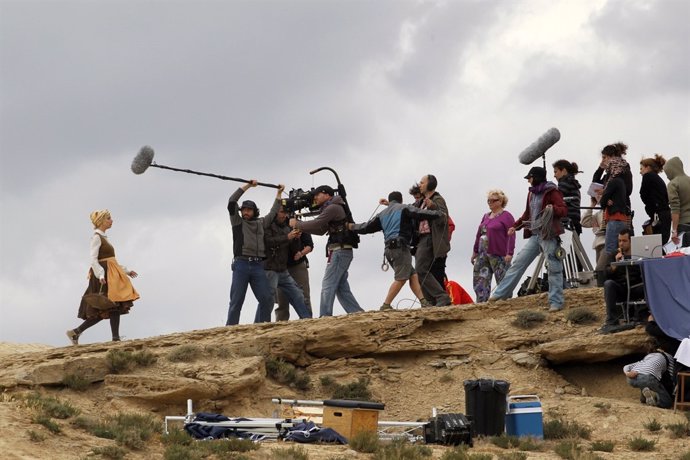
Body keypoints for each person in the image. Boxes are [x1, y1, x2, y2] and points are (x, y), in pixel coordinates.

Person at [489, 166, 568, 311]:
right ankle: (500, 294)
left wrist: (552, 209)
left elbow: (563, 209)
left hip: (548, 235)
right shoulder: (531, 194)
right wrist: (515, 226)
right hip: (535, 235)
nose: (528, 181)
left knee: (554, 267)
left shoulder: (552, 191)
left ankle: (556, 302)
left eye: (530, 178)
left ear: (536, 177)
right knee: (518, 263)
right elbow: (528, 214)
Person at [349, 191, 442, 310]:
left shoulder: (382, 214)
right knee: (401, 278)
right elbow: (420, 213)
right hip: (401, 248)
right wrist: (438, 214)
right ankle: (386, 305)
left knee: (413, 275)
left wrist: (351, 227)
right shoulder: (404, 208)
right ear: (401, 199)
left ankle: (424, 302)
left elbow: (366, 227)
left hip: (389, 250)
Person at [67, 210, 139, 345]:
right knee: (110, 306)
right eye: (109, 218)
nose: (112, 220)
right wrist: (100, 274)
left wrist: (127, 271)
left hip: (110, 274)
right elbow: (93, 259)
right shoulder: (96, 237)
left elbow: (112, 261)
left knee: (111, 307)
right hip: (104, 276)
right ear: (101, 221)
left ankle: (76, 332)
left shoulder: (104, 238)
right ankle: (115, 339)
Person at [290, 185, 363, 317]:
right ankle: (356, 313)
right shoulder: (333, 207)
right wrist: (301, 228)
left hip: (339, 251)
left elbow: (318, 223)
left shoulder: (332, 207)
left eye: (317, 195)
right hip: (341, 250)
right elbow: (321, 229)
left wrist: (297, 224)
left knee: (328, 284)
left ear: (326, 194)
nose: (315, 198)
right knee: (341, 287)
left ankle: (325, 315)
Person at [226, 180, 284, 326]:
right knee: (237, 300)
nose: (245, 212)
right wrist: (247, 186)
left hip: (258, 265)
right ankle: (230, 330)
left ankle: (263, 327)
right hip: (241, 264)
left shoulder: (260, 223)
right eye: (243, 209)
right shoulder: (237, 222)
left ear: (254, 211)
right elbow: (232, 201)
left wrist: (279, 193)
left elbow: (272, 213)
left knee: (267, 299)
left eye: (249, 210)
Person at [263, 206, 312, 321]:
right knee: (275, 300)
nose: (285, 215)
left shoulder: (295, 225)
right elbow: (268, 242)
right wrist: (288, 237)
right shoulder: (268, 224)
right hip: (274, 267)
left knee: (301, 296)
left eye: (287, 212)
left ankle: (308, 320)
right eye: (283, 212)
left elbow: (308, 245)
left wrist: (296, 239)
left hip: (290, 266)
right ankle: (266, 323)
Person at [471, 189, 515, 303]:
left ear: (500, 201)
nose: (490, 202)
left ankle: (505, 301)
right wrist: (475, 251)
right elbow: (479, 234)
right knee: (480, 278)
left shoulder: (507, 216)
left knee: (502, 278)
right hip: (482, 253)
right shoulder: (486, 216)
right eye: (488, 200)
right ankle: (482, 303)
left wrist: (509, 253)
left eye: (493, 200)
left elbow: (511, 235)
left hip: (498, 252)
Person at [598, 228, 645, 334]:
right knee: (608, 284)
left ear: (631, 241)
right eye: (619, 241)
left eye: (624, 241)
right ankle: (611, 321)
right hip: (621, 288)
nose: (621, 244)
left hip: (635, 287)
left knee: (649, 285)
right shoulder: (614, 254)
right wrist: (614, 266)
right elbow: (605, 274)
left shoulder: (639, 254)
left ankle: (644, 317)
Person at [414, 174, 452, 306]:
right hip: (422, 238)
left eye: (422, 182)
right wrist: (390, 205)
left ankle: (441, 297)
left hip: (430, 238)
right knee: (421, 271)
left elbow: (443, 218)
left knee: (420, 269)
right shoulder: (421, 201)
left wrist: (433, 207)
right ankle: (431, 300)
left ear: (430, 184)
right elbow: (408, 209)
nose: (420, 185)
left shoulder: (437, 199)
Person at [275, 228, 314, 321]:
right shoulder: (275, 225)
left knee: (304, 296)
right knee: (281, 300)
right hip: (280, 267)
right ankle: (280, 325)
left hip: (298, 265)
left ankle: (308, 322)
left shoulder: (299, 225)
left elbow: (310, 245)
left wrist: (301, 253)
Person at [593, 142, 634, 229]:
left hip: (620, 210)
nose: (602, 160)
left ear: (611, 156)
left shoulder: (624, 170)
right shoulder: (608, 175)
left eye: (604, 157)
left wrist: (607, 193)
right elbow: (595, 184)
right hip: (609, 212)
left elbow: (628, 190)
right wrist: (600, 168)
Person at [623, 341, 675, 408]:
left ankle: (644, 398)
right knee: (667, 402)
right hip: (647, 377)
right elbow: (671, 376)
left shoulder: (648, 356)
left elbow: (626, 366)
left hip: (631, 379)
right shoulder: (669, 357)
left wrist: (628, 373)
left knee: (645, 383)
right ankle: (654, 396)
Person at [600, 156, 631, 258]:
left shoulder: (613, 181)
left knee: (610, 250)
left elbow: (602, 201)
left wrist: (605, 201)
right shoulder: (622, 182)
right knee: (620, 250)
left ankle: (611, 272)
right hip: (622, 220)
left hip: (614, 220)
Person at [639, 155, 671, 244]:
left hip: (658, 215)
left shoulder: (648, 176)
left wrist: (650, 208)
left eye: (641, 168)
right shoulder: (659, 180)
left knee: (655, 245)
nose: (640, 172)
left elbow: (643, 194)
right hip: (665, 214)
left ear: (648, 168)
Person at [663, 156, 690, 247]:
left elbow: (675, 209)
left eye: (667, 172)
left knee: (684, 256)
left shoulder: (673, 184)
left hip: (683, 226)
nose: (667, 176)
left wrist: (674, 231)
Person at [552, 159, 582, 234]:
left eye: (556, 172)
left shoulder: (565, 182)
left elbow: (556, 198)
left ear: (564, 171)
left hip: (567, 223)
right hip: (575, 222)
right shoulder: (573, 183)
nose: (554, 175)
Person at [581, 196, 606, 267]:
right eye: (596, 195)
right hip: (599, 244)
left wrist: (598, 230)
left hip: (606, 243)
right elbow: (584, 222)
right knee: (600, 270)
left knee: (602, 269)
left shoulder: (611, 209)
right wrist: (592, 205)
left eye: (600, 194)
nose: (598, 196)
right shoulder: (599, 214)